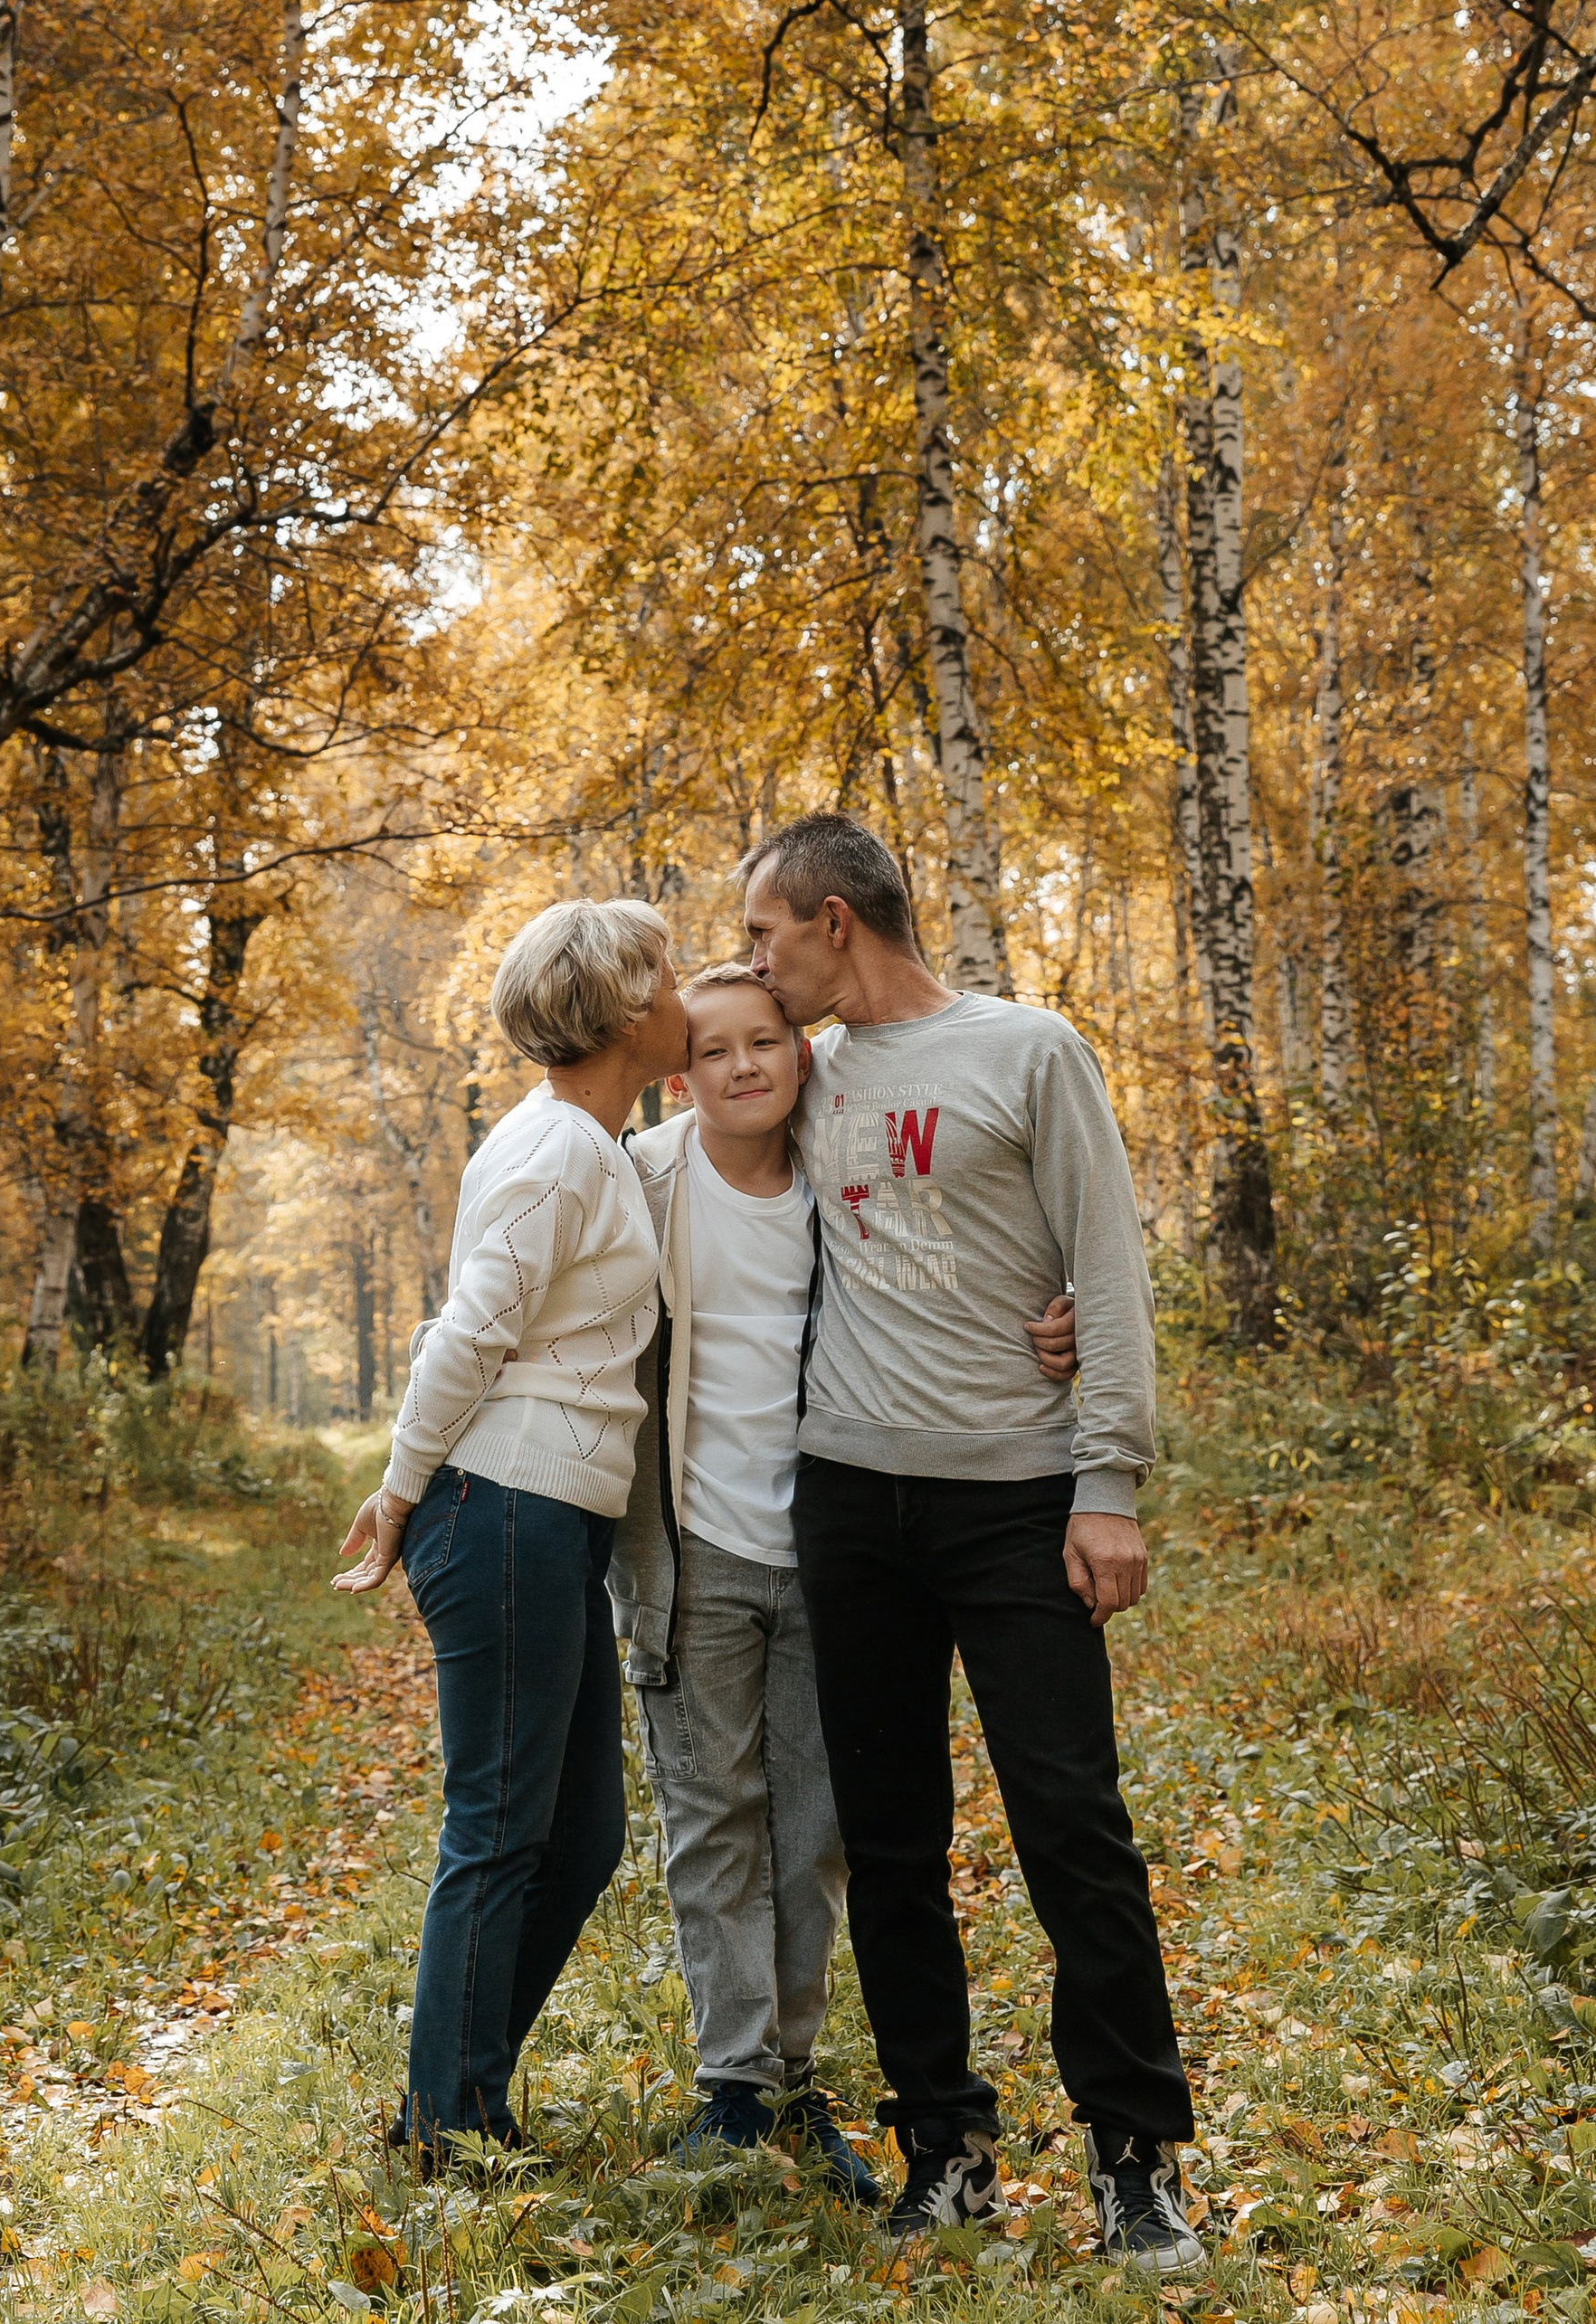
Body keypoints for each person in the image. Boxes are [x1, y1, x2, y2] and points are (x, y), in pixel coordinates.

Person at [742, 811, 1202, 2271]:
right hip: (847, 1499)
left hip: (1015, 1499)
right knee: (890, 1846)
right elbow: (673, 1155)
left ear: (832, 921)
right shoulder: (796, 1077)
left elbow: (1107, 1273)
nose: (750, 964)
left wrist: (1108, 1479)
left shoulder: (1029, 1051)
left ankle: (1135, 2160)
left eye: (762, 933)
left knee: (1074, 1827)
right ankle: (943, 2144)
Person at [611, 960, 1078, 2210]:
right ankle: (732, 2087)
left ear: (802, 1054)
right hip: (694, 1548)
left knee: (817, 1832)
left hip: (836, 1546)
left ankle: (796, 2081)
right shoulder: (644, 1182)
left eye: (769, 1040)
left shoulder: (846, 1164)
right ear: (680, 1074)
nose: (747, 1065)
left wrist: (1062, 1308)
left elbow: (961, 1257)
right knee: (714, 1816)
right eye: (716, 1051)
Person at [333, 897, 688, 2159]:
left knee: (580, 1835)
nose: (687, 992)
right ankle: (448, 2122)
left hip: (549, 1516)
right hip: (502, 1504)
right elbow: (467, 1333)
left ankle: (455, 2085)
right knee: (496, 1826)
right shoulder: (557, 1154)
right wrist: (401, 1483)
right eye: (671, 973)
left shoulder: (587, 1143)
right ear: (629, 1007)